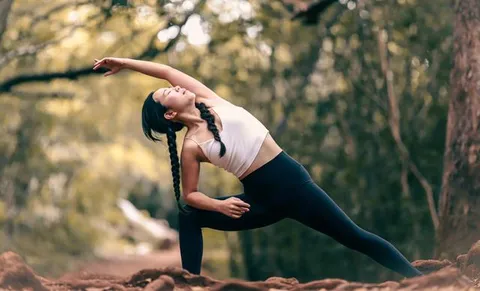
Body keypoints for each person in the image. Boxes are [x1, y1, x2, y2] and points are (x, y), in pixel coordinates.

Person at [93, 57, 423, 278]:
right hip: (260, 202)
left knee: (355, 237)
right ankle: (189, 283)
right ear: (169, 115)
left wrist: (123, 62)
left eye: (172, 87)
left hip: (294, 186)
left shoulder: (209, 100)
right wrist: (219, 204)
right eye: (169, 94)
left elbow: (164, 70)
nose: (176, 86)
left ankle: (423, 281)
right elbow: (191, 195)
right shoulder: (192, 146)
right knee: (188, 215)